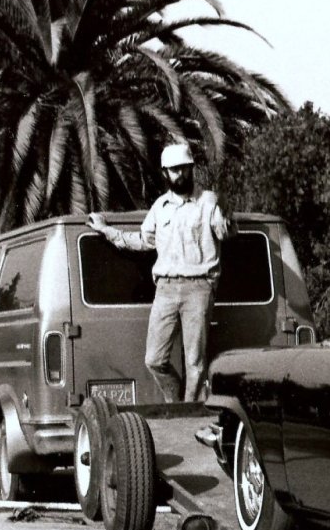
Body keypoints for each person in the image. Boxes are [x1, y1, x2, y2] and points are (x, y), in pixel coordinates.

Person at [87, 142, 226, 404]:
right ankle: (177, 405)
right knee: (154, 359)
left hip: (199, 287)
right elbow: (143, 239)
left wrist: (227, 218)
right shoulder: (159, 206)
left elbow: (225, 232)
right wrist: (106, 230)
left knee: (195, 361)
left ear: (191, 169)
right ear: (166, 173)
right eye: (174, 170)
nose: (180, 175)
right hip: (165, 289)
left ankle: (188, 414)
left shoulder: (209, 202)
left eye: (184, 169)